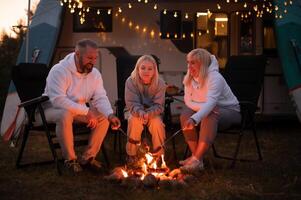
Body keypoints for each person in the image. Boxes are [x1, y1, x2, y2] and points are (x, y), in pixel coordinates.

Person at [41, 39, 121, 173]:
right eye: (89, 58)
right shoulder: (59, 71)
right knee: (64, 114)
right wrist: (87, 111)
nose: (93, 61)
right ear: (77, 54)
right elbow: (58, 100)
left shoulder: (94, 74)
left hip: (77, 111)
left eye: (95, 58)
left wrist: (110, 114)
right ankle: (70, 160)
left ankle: (88, 158)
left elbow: (100, 97)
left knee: (102, 117)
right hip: (49, 110)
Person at [179, 48, 241, 172]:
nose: (189, 66)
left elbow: (211, 103)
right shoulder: (189, 78)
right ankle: (197, 158)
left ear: (202, 64)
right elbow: (188, 101)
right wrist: (197, 114)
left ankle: (196, 159)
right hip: (207, 108)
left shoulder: (215, 77)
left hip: (230, 111)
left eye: (193, 62)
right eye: (188, 62)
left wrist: (196, 117)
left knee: (210, 114)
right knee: (185, 115)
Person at [124, 55, 166, 164]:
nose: (146, 71)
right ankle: (132, 154)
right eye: (143, 68)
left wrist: (149, 113)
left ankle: (158, 155)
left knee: (157, 122)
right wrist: (141, 112)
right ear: (138, 69)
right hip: (135, 111)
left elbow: (159, 105)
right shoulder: (130, 81)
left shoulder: (160, 83)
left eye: (150, 68)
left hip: (153, 112)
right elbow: (131, 103)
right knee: (134, 120)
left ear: (154, 71)